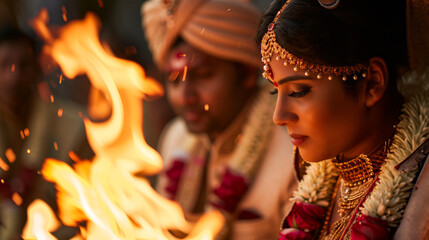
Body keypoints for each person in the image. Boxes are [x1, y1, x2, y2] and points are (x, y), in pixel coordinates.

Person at [256, 0, 429, 239]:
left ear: (372, 84)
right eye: (277, 91)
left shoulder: (423, 192)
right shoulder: (320, 181)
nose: (279, 117)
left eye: (298, 91)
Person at [141, 0, 299, 239]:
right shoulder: (176, 136)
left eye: (203, 76)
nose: (185, 97)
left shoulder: (292, 156)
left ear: (246, 72)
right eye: (174, 80)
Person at [0, 26, 93, 240]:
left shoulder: (72, 126)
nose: (13, 76)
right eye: (3, 65)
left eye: (22, 66)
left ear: (36, 69)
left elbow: (84, 211)